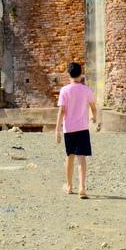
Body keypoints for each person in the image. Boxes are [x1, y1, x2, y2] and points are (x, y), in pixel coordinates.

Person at [55, 62, 99, 199]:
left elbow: (62, 111)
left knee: (69, 157)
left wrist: (57, 129)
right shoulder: (86, 90)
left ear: (69, 74)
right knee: (82, 158)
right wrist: (94, 117)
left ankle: (69, 186)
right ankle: (82, 187)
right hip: (82, 128)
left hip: (69, 129)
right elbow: (93, 107)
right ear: (81, 74)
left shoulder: (64, 90)